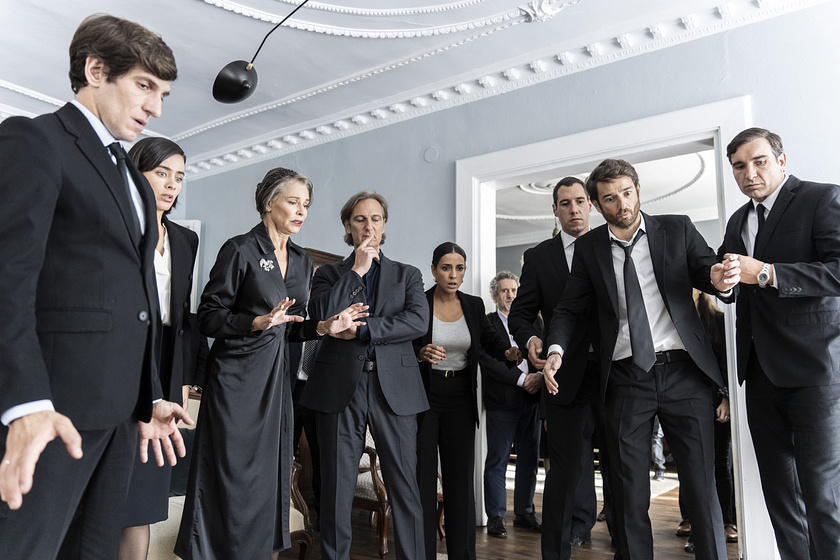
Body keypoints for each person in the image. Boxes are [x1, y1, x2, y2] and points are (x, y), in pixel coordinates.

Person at [0, 15, 192, 559]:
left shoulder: (132, 176)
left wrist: (148, 395)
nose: (156, 107)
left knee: (93, 552)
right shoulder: (34, 140)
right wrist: (24, 404)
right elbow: (7, 279)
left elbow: (135, 302)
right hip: (52, 409)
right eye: (145, 86)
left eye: (163, 94)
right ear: (95, 70)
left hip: (117, 417)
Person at [543, 158, 735, 560]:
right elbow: (569, 309)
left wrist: (719, 281)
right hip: (627, 379)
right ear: (597, 205)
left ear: (638, 190)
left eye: (627, 193)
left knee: (701, 487)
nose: (621, 204)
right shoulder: (590, 249)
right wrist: (555, 350)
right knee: (629, 489)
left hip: (686, 374)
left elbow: (708, 273)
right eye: (610, 198)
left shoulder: (677, 228)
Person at [175, 168, 367, 559]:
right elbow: (208, 316)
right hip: (235, 378)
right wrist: (255, 322)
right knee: (230, 474)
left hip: (277, 378)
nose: (302, 212)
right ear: (269, 203)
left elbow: (293, 326)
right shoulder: (240, 249)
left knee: (268, 477)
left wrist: (327, 326)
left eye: (306, 205)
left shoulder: (300, 259)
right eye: (293, 202)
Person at [716, 127, 840, 559]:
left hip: (815, 372)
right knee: (780, 495)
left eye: (759, 161)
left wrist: (769, 273)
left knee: (822, 494)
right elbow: (732, 279)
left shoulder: (821, 199)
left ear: (781, 161)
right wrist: (721, 282)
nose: (749, 173)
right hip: (759, 373)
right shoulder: (737, 222)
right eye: (739, 166)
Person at [300, 191, 429, 560]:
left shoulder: (408, 275)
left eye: (375, 219)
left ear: (384, 225)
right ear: (347, 227)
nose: (368, 226)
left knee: (405, 487)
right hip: (339, 388)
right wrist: (356, 270)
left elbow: (416, 322)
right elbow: (321, 312)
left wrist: (363, 330)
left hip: (396, 389)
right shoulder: (327, 274)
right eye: (359, 220)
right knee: (337, 489)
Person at [508, 176, 613, 558]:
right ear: (554, 209)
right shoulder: (539, 257)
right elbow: (520, 315)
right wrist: (531, 340)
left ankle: (621, 535)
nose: (574, 209)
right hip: (562, 377)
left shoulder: (612, 244)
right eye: (565, 203)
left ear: (592, 205)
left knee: (621, 460)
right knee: (565, 467)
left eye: (580, 201)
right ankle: (558, 546)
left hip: (613, 373)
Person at [119, 138, 200, 560]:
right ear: (137, 173)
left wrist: (183, 378)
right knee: (104, 497)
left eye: (179, 177)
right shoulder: (117, 226)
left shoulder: (185, 239)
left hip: (165, 365)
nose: (172, 185)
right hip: (119, 361)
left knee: (144, 503)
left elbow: (183, 319)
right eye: (162, 173)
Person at [414, 244, 520, 560]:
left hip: (461, 397)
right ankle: (423, 555)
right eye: (446, 267)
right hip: (425, 398)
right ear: (433, 269)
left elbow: (490, 340)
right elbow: (404, 345)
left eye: (460, 268)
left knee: (460, 484)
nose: (453, 274)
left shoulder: (473, 305)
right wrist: (420, 354)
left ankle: (463, 555)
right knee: (423, 482)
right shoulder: (419, 302)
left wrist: (510, 353)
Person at [481, 270, 543, 539]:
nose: (510, 295)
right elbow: (488, 362)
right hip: (502, 403)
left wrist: (539, 378)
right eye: (504, 291)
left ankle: (524, 512)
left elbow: (548, 349)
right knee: (498, 460)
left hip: (533, 400)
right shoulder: (487, 324)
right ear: (495, 295)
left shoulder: (534, 322)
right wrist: (521, 380)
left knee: (529, 460)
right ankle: (495, 517)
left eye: (514, 290)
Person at [681, 289, 736, 553]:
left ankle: (726, 521)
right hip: (684, 400)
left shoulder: (719, 320)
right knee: (690, 465)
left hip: (715, 401)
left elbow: (727, 364)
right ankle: (692, 521)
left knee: (717, 465)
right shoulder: (676, 318)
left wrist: (726, 399)